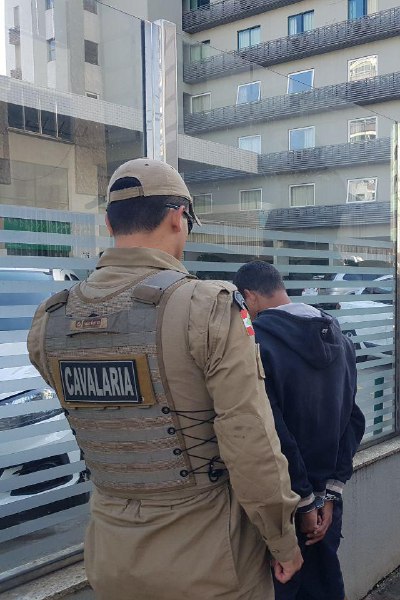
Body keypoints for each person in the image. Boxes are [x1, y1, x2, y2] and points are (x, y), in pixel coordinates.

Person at [26, 158, 302, 599]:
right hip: (211, 565)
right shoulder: (207, 308)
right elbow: (250, 441)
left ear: (109, 223)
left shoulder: (51, 319)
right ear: (178, 218)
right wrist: (282, 538)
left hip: (113, 560)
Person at [233, 260, 365, 600]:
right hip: (327, 506)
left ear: (249, 297)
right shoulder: (338, 337)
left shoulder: (256, 346)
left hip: (284, 506)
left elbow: (273, 434)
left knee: (285, 589)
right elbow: (353, 419)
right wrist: (330, 494)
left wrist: (305, 503)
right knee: (325, 584)